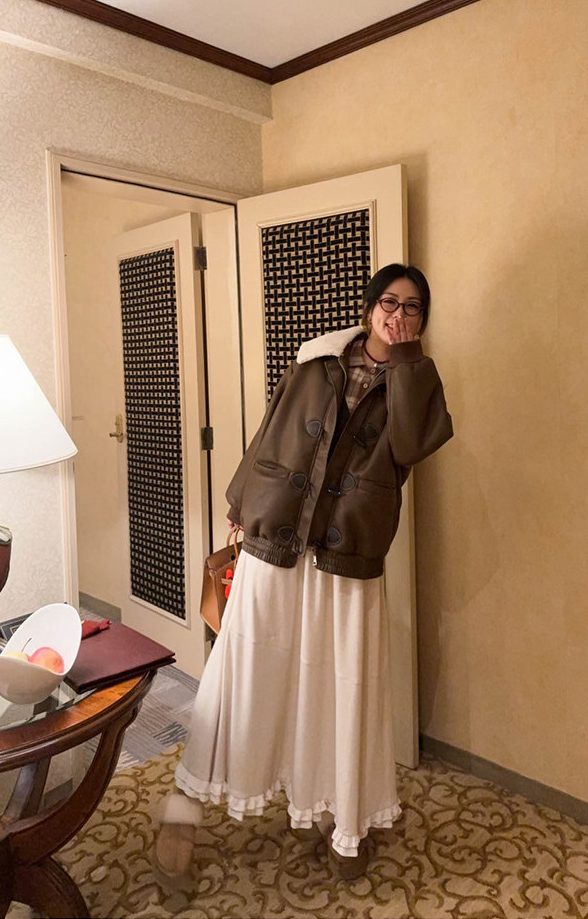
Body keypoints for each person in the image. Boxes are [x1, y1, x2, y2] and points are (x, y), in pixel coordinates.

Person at [158, 263, 452, 883]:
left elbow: (408, 447)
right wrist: (241, 502)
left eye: (413, 307)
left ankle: (337, 815)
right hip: (278, 537)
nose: (398, 315)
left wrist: (406, 362)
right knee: (241, 671)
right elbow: (272, 430)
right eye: (389, 302)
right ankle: (182, 812)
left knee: (340, 682)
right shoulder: (315, 360)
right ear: (369, 307)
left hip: (348, 552)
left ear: (422, 320)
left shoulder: (418, 379)